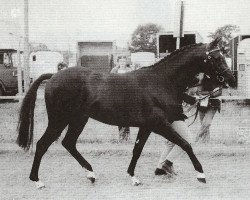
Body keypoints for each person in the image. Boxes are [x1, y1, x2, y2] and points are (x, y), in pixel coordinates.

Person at [155, 73, 222, 176]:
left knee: (171, 142)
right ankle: (167, 164)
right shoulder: (175, 84)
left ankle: (160, 168)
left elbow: (184, 96)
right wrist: (195, 99)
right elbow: (183, 96)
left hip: (166, 117)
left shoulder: (165, 84)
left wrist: (196, 99)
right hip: (174, 117)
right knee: (188, 141)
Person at [110, 58, 134, 142]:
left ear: (126, 62)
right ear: (118, 62)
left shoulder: (129, 70)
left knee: (127, 115)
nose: (122, 63)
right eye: (121, 61)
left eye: (124, 61)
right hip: (117, 96)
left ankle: (127, 136)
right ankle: (121, 136)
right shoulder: (114, 70)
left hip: (127, 96)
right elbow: (110, 81)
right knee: (119, 115)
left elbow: (133, 82)